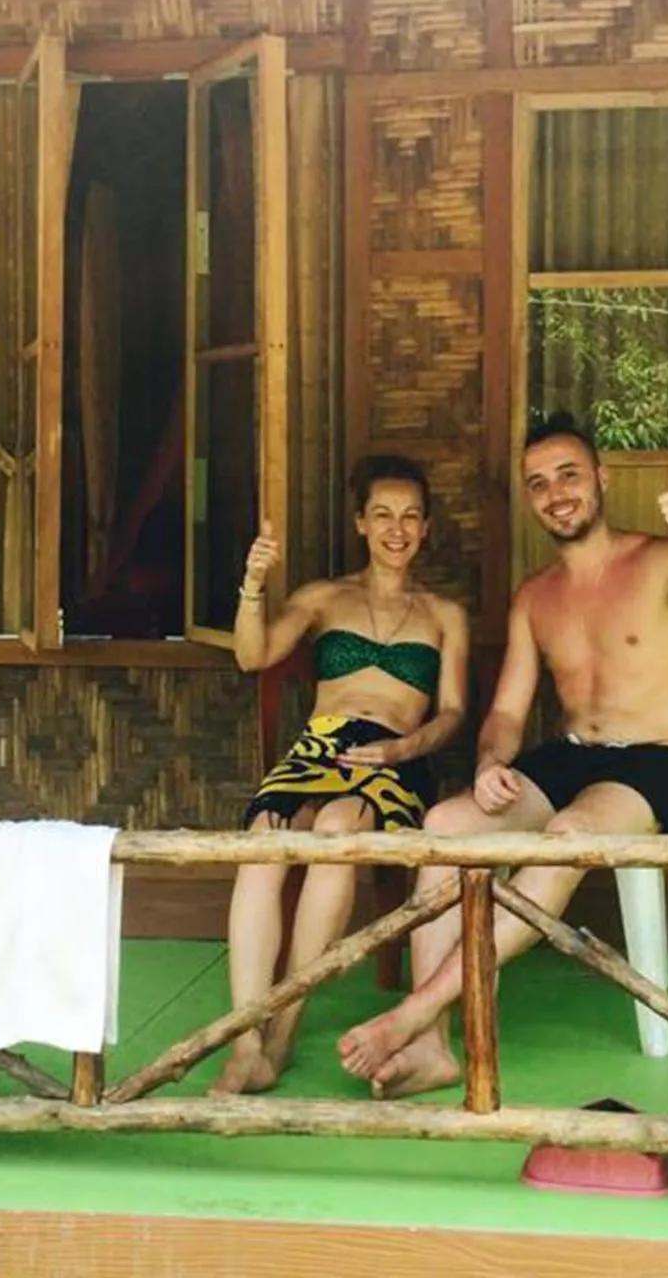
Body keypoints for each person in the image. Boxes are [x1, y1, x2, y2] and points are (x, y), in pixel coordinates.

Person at [338, 412, 668, 1097]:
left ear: (600, 478)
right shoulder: (536, 597)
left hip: (659, 761)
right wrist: (489, 765)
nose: (555, 493)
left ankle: (417, 1010)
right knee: (443, 829)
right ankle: (432, 1048)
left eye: (569, 474)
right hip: (572, 756)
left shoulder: (663, 560)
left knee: (569, 833)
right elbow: (508, 712)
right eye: (538, 483)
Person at [216, 454, 470, 1094]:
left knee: (335, 833)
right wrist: (251, 583)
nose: (397, 528)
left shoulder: (445, 615)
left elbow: (455, 713)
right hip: (319, 749)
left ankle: (284, 1031)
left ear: (426, 526)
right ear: (360, 522)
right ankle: (245, 1038)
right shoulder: (323, 597)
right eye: (382, 514)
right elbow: (253, 656)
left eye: (411, 516)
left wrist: (404, 750)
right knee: (265, 843)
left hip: (394, 756)